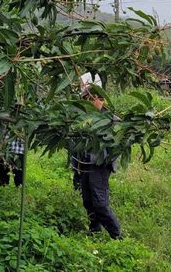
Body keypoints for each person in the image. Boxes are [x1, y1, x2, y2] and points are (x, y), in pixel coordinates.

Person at [71, 73, 122, 239]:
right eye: (85, 96)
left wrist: (101, 109)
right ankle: (94, 231)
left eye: (89, 96)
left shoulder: (108, 116)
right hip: (85, 162)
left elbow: (118, 130)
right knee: (87, 200)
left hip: (99, 164)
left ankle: (117, 236)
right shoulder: (84, 114)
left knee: (100, 203)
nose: (87, 100)